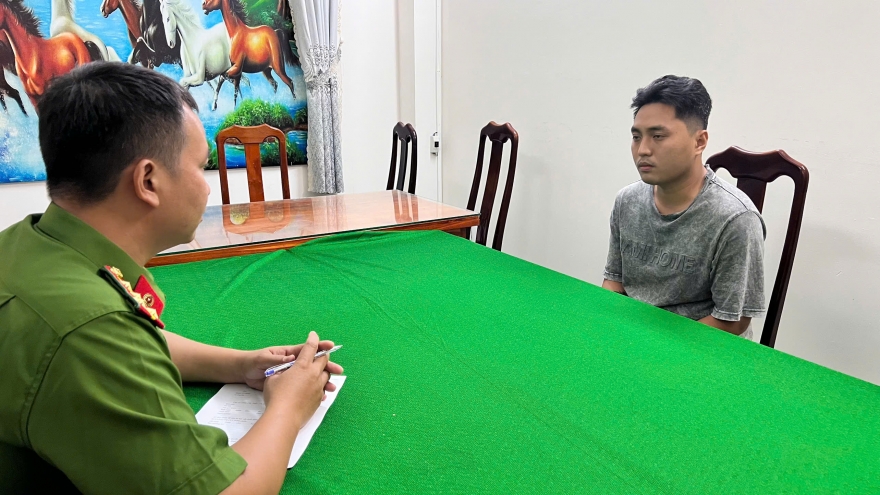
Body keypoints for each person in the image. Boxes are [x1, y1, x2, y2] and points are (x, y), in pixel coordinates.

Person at [0, 62, 342, 494]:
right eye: (200, 167)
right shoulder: (89, 329)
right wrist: (289, 406)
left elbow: (132, 342)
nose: (208, 186)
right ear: (148, 181)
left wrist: (242, 365)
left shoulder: (27, 243)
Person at [602, 75, 766, 337]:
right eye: (636, 136)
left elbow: (732, 321)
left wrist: (656, 345)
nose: (643, 150)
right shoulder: (627, 201)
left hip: (699, 346)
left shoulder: (736, 219)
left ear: (699, 142)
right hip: (632, 334)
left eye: (658, 136)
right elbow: (614, 281)